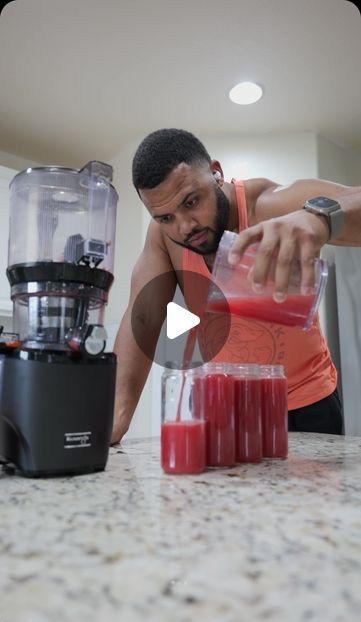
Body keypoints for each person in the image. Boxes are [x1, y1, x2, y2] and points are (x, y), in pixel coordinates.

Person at [111, 128, 361, 444]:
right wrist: (117, 418)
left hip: (304, 404)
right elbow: (144, 319)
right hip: (218, 406)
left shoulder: (270, 204)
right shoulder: (164, 237)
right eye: (165, 217)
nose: (184, 226)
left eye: (191, 201)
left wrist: (321, 219)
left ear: (216, 174)